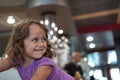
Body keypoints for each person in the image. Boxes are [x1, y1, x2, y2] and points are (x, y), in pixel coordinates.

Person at [0, 20, 74, 80]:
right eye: (35, 40)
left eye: (43, 39)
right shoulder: (18, 60)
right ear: (20, 43)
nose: (42, 44)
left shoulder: (45, 65)